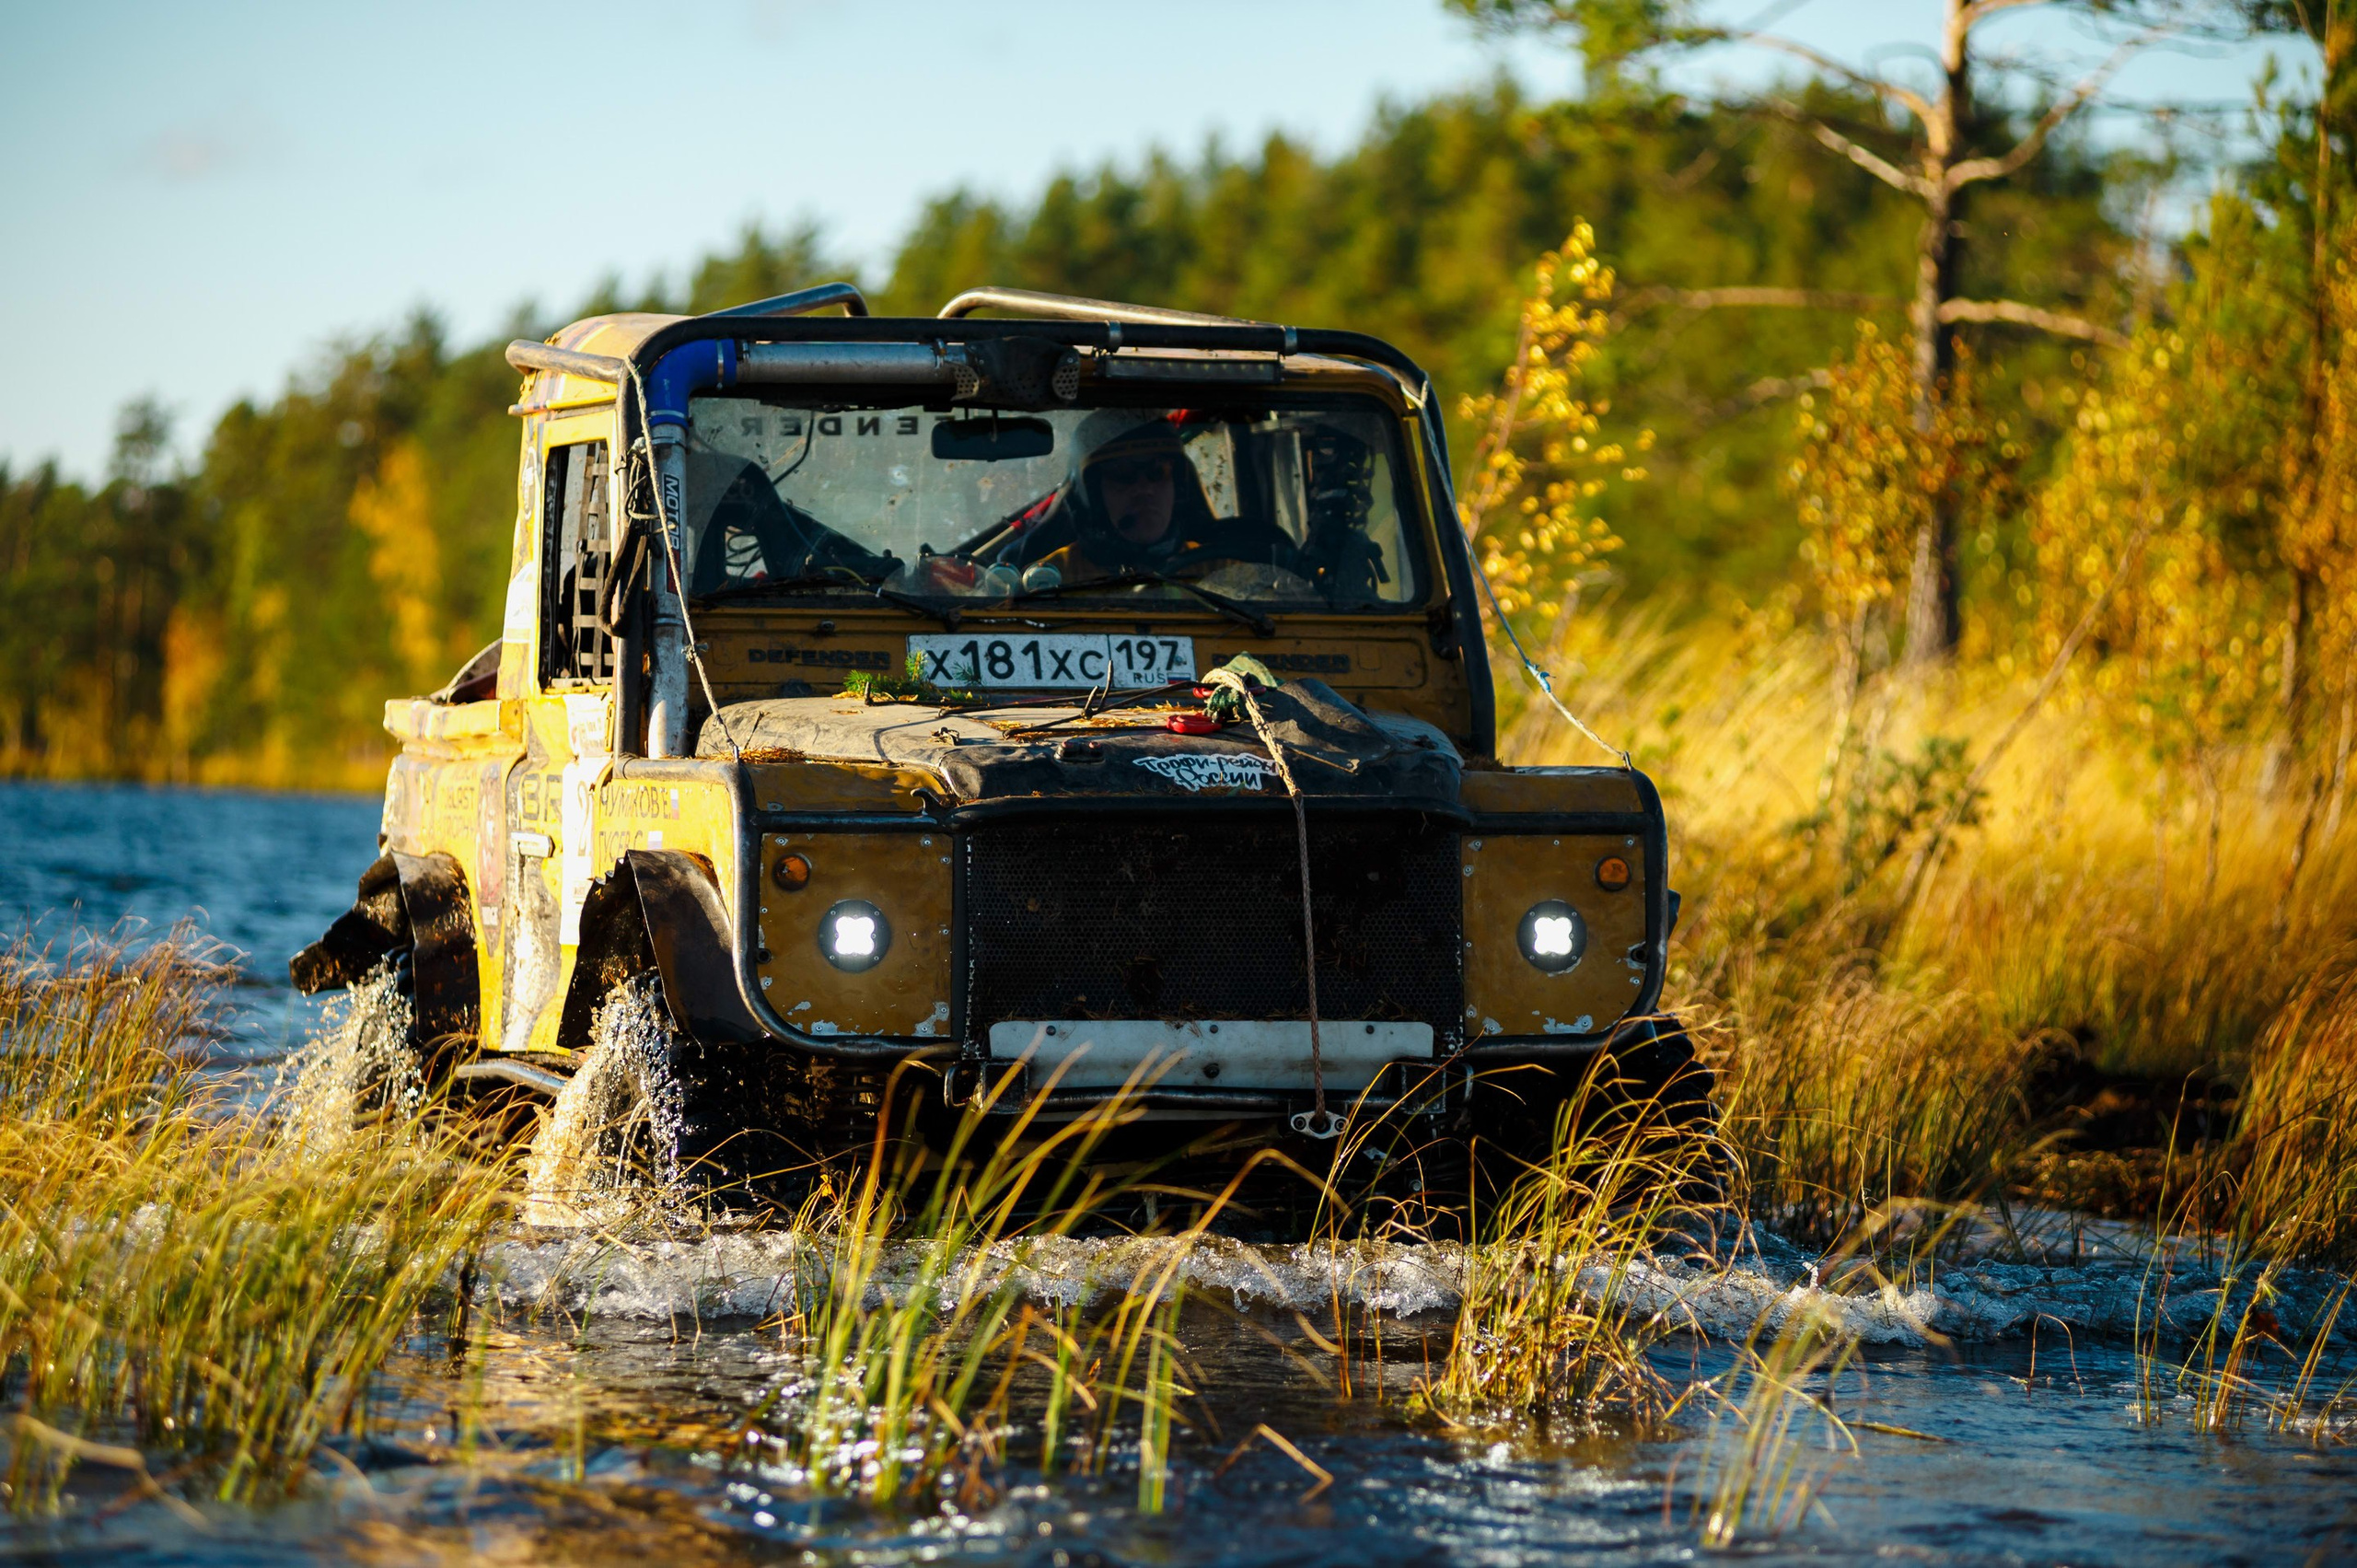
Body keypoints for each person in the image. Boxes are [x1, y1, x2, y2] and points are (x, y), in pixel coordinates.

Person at [1033, 414, 1292, 584]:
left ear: (1178, 488)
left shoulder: (1224, 572)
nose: (1144, 488)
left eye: (1159, 473)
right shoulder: (1052, 579)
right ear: (1091, 496)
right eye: (1123, 475)